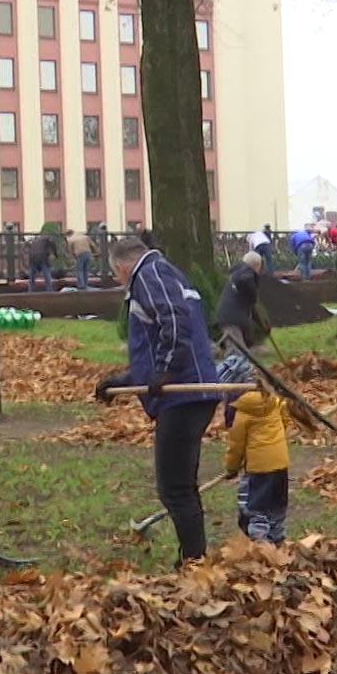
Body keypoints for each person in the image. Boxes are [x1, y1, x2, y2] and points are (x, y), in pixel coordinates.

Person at [92, 238, 224, 565]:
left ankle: (194, 562)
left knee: (175, 488)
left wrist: (166, 371)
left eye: (117, 275)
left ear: (122, 266)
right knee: (180, 485)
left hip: (183, 395)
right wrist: (122, 382)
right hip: (192, 390)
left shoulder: (148, 275)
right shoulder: (167, 274)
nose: (120, 281)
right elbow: (153, 349)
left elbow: (174, 321)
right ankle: (193, 559)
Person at [225, 381, 292, 545]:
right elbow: (285, 420)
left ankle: (259, 544)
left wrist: (231, 467)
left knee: (256, 506)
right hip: (280, 462)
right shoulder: (275, 402)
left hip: (258, 467)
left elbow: (236, 446)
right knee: (277, 503)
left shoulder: (243, 413)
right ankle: (277, 538)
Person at [215, 251, 268, 352]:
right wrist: (253, 292)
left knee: (240, 352)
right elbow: (246, 282)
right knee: (236, 354)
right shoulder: (246, 274)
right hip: (231, 319)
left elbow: (251, 306)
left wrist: (262, 325)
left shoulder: (238, 274)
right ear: (257, 266)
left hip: (230, 317)